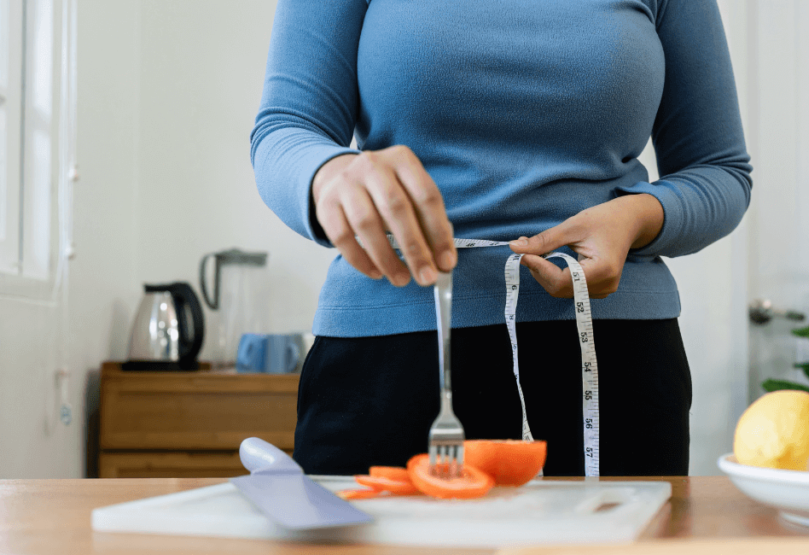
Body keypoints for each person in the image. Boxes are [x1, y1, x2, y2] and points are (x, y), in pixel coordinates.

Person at [251, 0, 752, 477]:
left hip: (615, 359)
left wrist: (640, 217)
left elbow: (720, 170)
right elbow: (286, 128)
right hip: (389, 361)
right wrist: (330, 174)